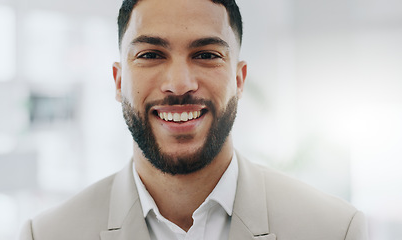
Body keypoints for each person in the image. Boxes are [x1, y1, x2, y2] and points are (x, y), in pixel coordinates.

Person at [19, 0, 368, 239]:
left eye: (206, 54)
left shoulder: (335, 230)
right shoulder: (48, 234)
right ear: (119, 81)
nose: (179, 84)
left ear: (239, 79)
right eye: (151, 54)